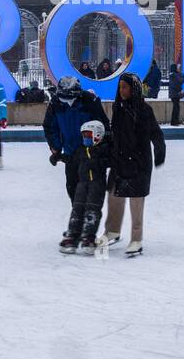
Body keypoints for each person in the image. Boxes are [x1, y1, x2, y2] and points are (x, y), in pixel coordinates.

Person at [101, 72, 164, 257]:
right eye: (120, 87)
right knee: (114, 195)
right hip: (119, 160)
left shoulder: (144, 110)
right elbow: (115, 133)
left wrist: (160, 152)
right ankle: (112, 230)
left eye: (125, 87)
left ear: (133, 88)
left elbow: (156, 134)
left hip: (139, 162)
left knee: (136, 201)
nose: (121, 91)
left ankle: (136, 238)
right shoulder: (118, 107)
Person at [44, 74, 109, 205]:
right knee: (72, 188)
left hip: (91, 154)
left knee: (92, 191)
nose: (66, 101)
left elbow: (103, 126)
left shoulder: (90, 101)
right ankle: (77, 212)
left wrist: (99, 148)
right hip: (70, 154)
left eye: (69, 98)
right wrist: (56, 147)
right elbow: (50, 126)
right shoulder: (55, 103)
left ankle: (88, 215)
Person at [57, 118, 110, 254]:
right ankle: (72, 235)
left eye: (88, 135)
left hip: (97, 184)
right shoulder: (81, 150)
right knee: (77, 209)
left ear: (98, 135)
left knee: (92, 210)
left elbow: (110, 161)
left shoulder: (103, 149)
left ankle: (88, 236)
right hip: (82, 183)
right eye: (84, 135)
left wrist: (97, 162)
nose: (85, 138)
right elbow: (72, 160)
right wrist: (59, 157)